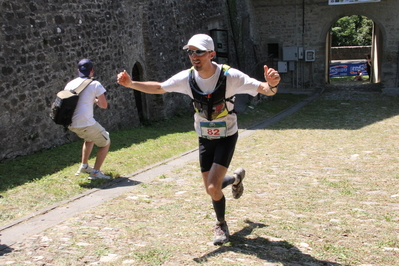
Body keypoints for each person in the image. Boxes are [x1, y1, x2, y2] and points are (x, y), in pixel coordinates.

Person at [117, 34, 280, 245]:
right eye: (190, 51)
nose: (194, 56)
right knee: (210, 188)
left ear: (212, 54)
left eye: (199, 51)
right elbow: (159, 87)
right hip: (204, 137)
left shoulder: (230, 76)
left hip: (226, 136)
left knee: (213, 188)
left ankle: (221, 225)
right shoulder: (187, 78)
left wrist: (272, 84)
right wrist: (131, 84)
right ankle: (235, 179)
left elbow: (264, 89)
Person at [65, 59, 111, 180]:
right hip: (85, 123)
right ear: (92, 70)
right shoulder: (95, 84)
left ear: (78, 70)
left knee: (89, 139)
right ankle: (95, 172)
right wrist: (95, 100)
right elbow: (104, 105)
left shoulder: (70, 84)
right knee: (106, 141)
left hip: (70, 123)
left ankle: (84, 166)